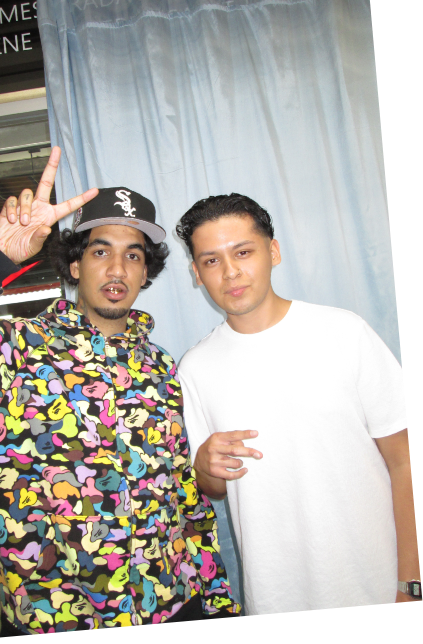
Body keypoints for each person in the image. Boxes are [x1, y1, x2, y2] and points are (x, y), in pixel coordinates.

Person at [0, 148, 240, 634]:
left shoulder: (163, 368)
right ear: (76, 264)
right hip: (56, 617)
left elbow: (185, 499)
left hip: (174, 603)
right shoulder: (8, 353)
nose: (117, 269)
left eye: (133, 255)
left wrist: (216, 598)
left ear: (146, 272)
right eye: (100, 251)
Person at [175, 193, 420, 615]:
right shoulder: (194, 368)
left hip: (377, 583)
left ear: (273, 252)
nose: (230, 272)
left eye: (243, 252)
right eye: (212, 260)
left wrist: (411, 582)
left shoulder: (345, 333)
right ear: (197, 273)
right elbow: (212, 487)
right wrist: (203, 465)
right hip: (274, 594)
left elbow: (403, 460)